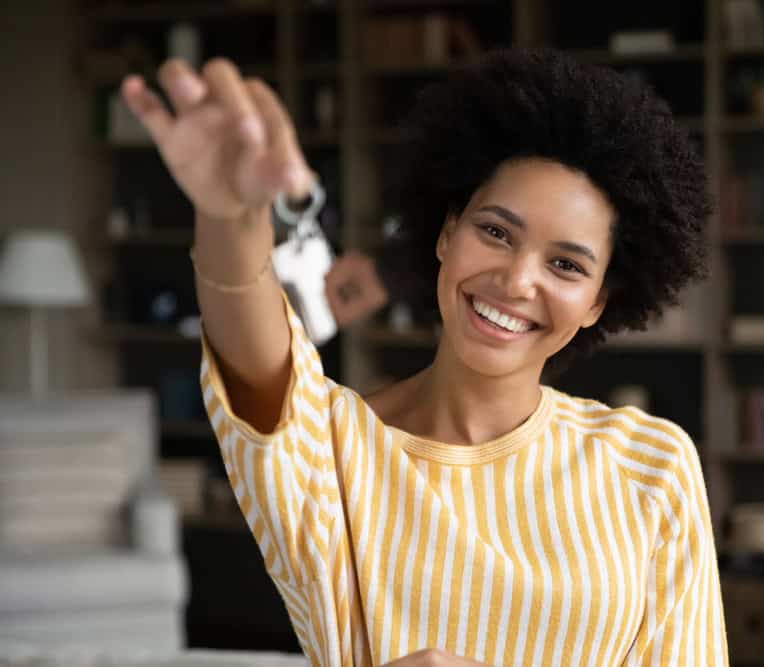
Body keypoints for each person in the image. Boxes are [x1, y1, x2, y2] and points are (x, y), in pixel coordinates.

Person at [122, 48, 728, 667]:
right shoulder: (332, 451)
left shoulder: (650, 465)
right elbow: (253, 358)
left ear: (599, 302)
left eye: (566, 265)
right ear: (446, 234)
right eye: (495, 231)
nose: (518, 281)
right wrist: (229, 216)